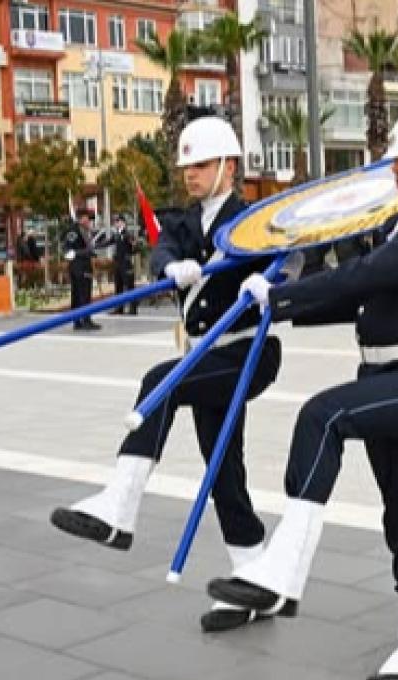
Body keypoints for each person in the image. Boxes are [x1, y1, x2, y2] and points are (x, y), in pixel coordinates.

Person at [207, 107, 398, 680]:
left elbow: (365, 277)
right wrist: (272, 299)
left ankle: (283, 569)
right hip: (391, 376)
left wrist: (282, 301)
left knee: (322, 415)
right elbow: (359, 297)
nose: (394, 173)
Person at [50, 116, 290, 633]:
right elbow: (162, 246)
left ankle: (121, 506)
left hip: (245, 354)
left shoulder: (251, 218)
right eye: (185, 167)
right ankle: (254, 580)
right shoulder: (186, 221)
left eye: (200, 165)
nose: (190, 175)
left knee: (162, 380)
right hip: (208, 355)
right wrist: (167, 269)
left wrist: (253, 277)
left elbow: (280, 259)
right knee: (223, 470)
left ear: (228, 166)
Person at [63, 208, 101, 331]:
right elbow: (68, 251)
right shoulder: (73, 231)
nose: (88, 221)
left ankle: (82, 320)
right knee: (81, 294)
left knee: (84, 294)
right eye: (86, 218)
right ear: (80, 218)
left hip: (85, 265)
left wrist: (91, 253)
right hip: (78, 267)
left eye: (89, 219)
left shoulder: (85, 231)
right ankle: (82, 320)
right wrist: (86, 252)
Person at [104, 214, 139, 316]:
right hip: (118, 264)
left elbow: (136, 248)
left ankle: (133, 309)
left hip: (126, 263)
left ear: (123, 222)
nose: (116, 223)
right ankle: (119, 308)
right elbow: (107, 243)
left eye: (118, 221)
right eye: (115, 221)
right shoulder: (116, 235)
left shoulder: (128, 234)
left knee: (129, 286)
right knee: (118, 286)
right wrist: (93, 246)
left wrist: (131, 251)